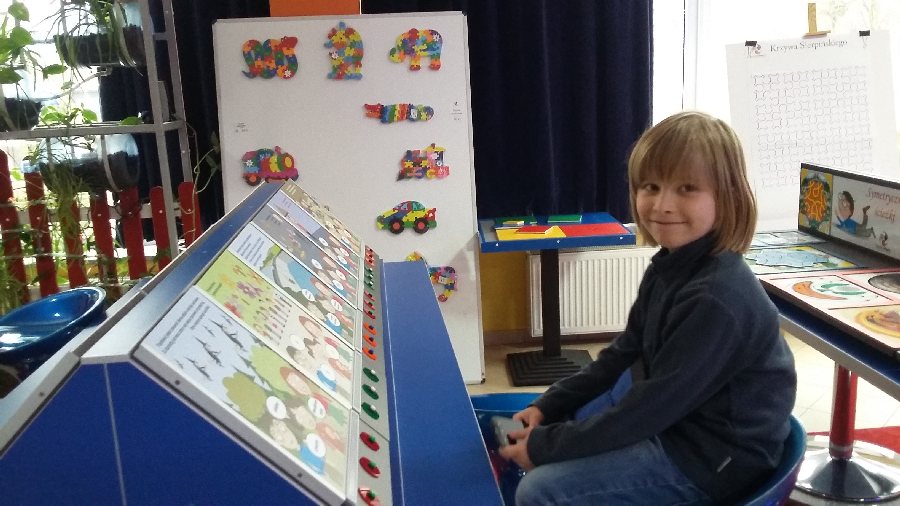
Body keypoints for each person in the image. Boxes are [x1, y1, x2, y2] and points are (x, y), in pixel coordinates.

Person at [499, 111, 797, 505]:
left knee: (540, 490)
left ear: (727, 197)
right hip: (683, 419)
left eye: (687, 188)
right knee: (587, 406)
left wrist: (544, 448)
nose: (662, 205)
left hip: (711, 460)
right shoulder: (670, 265)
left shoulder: (715, 299)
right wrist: (550, 404)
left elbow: (650, 410)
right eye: (650, 186)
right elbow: (624, 351)